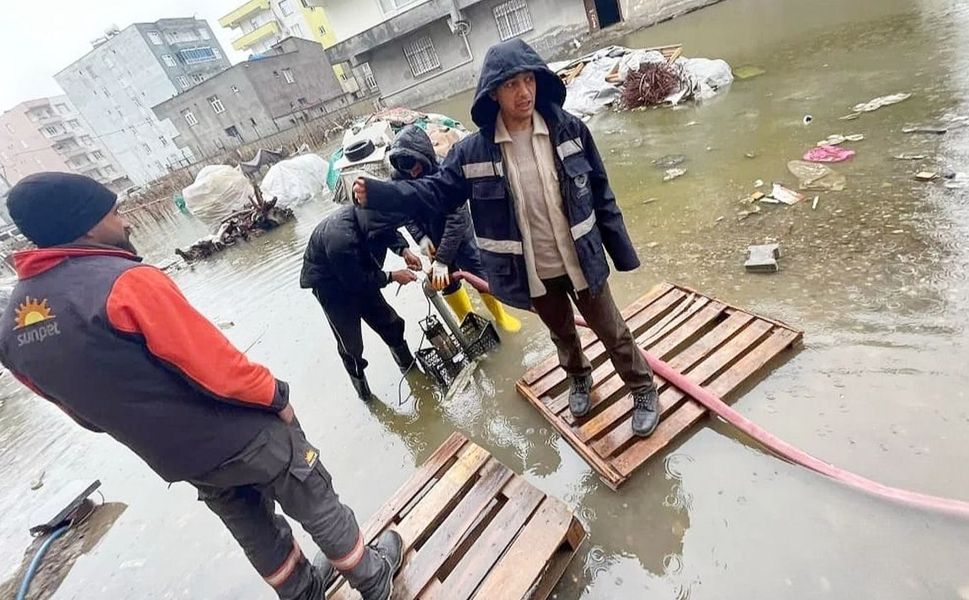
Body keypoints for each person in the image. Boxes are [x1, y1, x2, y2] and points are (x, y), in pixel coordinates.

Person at [0, 173, 403, 600]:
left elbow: (83, 417)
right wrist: (276, 396)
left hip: (179, 458)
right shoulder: (125, 283)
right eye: (115, 213)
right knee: (313, 495)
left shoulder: (10, 329)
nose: (126, 223)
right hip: (242, 432)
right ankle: (375, 580)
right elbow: (214, 364)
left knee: (252, 526)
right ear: (82, 226)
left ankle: (304, 592)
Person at [353, 39, 661, 438]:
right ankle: (580, 378)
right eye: (512, 84)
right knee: (562, 332)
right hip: (533, 269)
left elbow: (601, 192)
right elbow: (434, 193)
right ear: (493, 92)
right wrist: (381, 193)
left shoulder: (569, 130)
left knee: (612, 329)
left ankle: (642, 389)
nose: (524, 92)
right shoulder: (472, 153)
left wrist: (621, 252)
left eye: (529, 81)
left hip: (581, 259)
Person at [388, 125, 522, 333]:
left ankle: (501, 316)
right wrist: (422, 239)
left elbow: (457, 220)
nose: (413, 172)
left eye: (416, 166)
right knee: (445, 282)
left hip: (460, 237)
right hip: (431, 239)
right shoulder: (400, 180)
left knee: (479, 274)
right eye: (407, 169)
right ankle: (468, 321)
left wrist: (443, 259)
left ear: (424, 156)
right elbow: (408, 215)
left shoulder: (446, 171)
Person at [299, 203, 421, 400]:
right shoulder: (340, 240)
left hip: (359, 272)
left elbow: (388, 231)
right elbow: (356, 282)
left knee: (391, 323)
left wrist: (404, 250)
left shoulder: (374, 213)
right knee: (351, 345)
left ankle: (411, 371)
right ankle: (365, 395)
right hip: (331, 286)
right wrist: (392, 276)